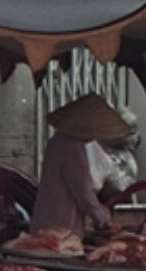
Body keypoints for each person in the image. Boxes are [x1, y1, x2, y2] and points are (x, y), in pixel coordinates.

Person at [30, 94, 125, 235]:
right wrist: (103, 218)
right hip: (60, 225)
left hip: (47, 219)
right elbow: (83, 191)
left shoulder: (57, 141)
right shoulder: (73, 147)